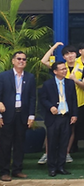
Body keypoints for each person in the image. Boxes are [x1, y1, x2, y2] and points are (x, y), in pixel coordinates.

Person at [40, 43, 84, 163]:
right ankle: (47, 153)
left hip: (78, 103)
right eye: (67, 54)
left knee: (71, 129)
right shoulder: (60, 67)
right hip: (59, 105)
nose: (70, 55)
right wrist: (54, 47)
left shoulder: (83, 67)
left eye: (72, 53)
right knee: (51, 130)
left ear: (76, 54)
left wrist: (75, 81)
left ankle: (66, 153)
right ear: (63, 57)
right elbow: (43, 61)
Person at [0, 51, 36, 181]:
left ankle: (17, 170)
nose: (21, 61)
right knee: (5, 145)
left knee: (20, 144)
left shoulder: (30, 77)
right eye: (19, 59)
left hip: (22, 115)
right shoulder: (3, 76)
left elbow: (32, 97)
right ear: (13, 61)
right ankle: (4, 171)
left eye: (24, 59)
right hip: (7, 115)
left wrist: (31, 116)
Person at [40, 61, 78, 177]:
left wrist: (74, 115)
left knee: (63, 143)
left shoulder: (70, 83)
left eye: (65, 68)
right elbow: (43, 99)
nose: (64, 71)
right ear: (55, 71)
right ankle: (52, 167)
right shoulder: (48, 84)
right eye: (62, 69)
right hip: (53, 118)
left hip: (66, 117)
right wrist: (50, 107)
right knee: (52, 143)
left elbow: (73, 100)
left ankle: (61, 166)